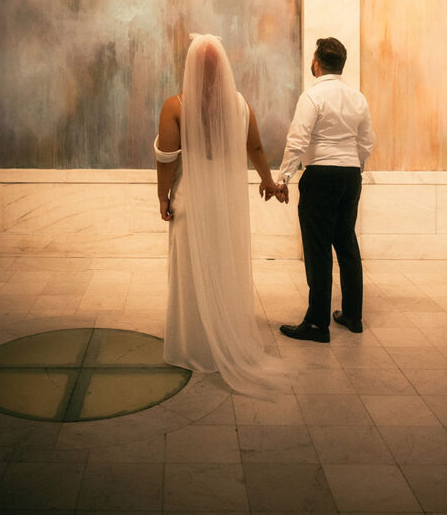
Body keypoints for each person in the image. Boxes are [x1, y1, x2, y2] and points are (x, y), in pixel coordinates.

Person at [154, 33, 287, 397]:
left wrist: (163, 195)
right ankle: (223, 339)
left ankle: (192, 344)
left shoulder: (175, 106)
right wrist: (268, 182)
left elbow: (166, 158)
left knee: (190, 269)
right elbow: (256, 146)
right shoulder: (240, 105)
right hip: (225, 201)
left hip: (192, 199)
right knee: (222, 264)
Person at [276, 37, 375, 343]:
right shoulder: (357, 97)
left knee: (318, 249)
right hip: (349, 177)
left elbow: (298, 140)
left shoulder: (313, 96)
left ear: (316, 63)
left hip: (320, 175)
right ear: (341, 64)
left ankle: (318, 323)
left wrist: (283, 179)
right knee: (346, 243)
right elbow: (367, 141)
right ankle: (352, 316)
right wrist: (353, 167)